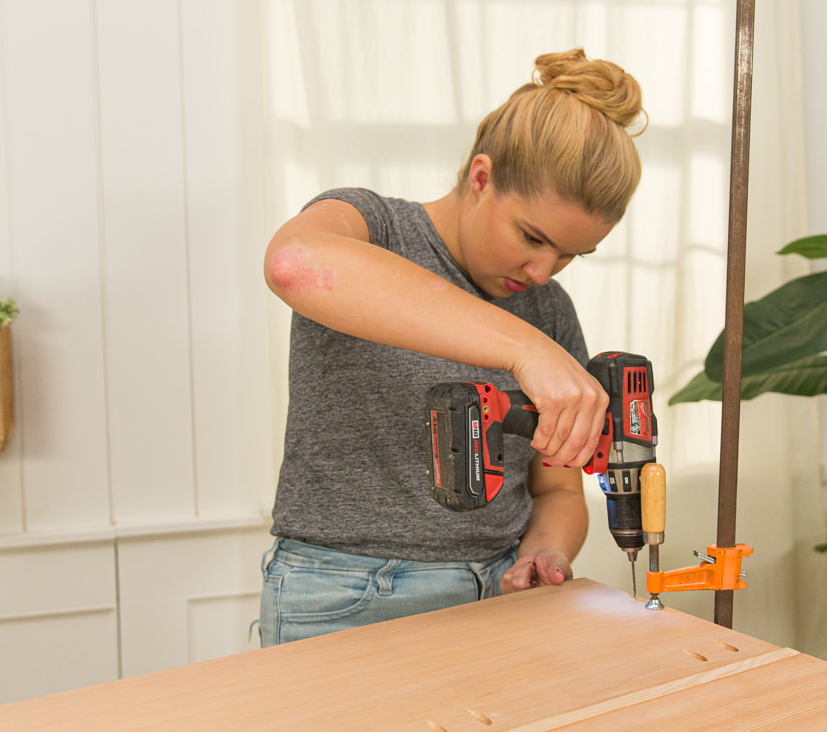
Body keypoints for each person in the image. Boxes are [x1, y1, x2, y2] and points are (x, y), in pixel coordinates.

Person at [258, 48, 645, 645]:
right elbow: (293, 264)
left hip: (496, 592)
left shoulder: (549, 308)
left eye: (571, 254)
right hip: (340, 594)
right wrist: (527, 350)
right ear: (481, 177)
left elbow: (559, 488)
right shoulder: (374, 228)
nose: (543, 270)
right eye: (532, 237)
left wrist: (545, 554)